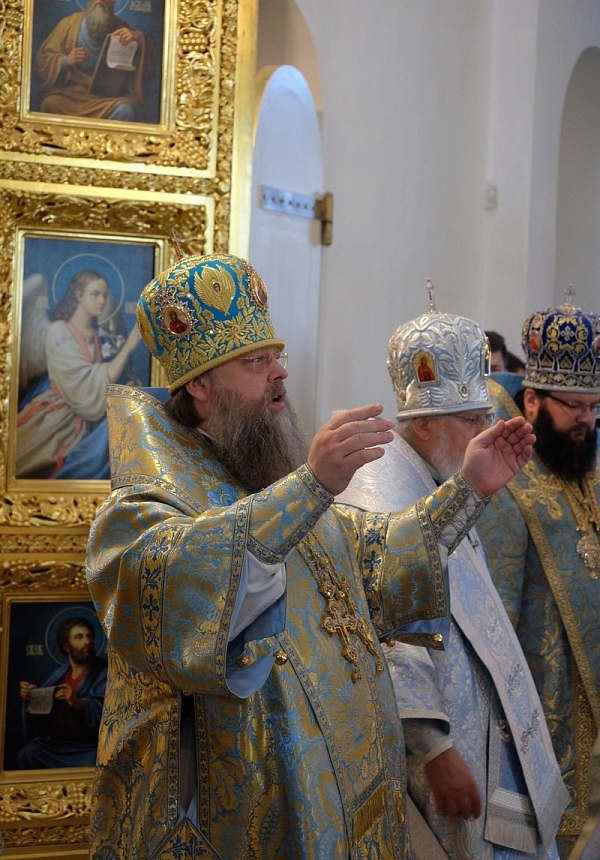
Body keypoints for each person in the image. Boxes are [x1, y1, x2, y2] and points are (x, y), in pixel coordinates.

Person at [85, 252, 536, 859]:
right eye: (255, 362)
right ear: (199, 384)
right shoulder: (142, 506)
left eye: (276, 356)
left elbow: (372, 559)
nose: (279, 373)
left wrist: (466, 490)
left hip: (340, 800)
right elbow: (187, 585)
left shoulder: (262, 477)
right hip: (233, 819)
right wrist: (312, 486)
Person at [338, 302, 567, 859]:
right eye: (471, 421)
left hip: (482, 718)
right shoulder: (379, 494)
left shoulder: (438, 476)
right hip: (444, 739)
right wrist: (435, 749)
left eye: (484, 417)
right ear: (424, 423)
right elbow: (392, 636)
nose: (483, 432)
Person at [477, 291, 600, 859]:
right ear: (532, 400)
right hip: (543, 706)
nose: (587, 420)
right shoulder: (506, 478)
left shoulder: (590, 463)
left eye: (595, 406)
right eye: (573, 406)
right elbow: (494, 613)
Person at [16, 268, 141, 478]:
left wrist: (121, 390)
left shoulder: (95, 335)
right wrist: (128, 347)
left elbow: (96, 386)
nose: (102, 301)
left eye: (104, 295)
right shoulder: (58, 331)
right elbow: (83, 384)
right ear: (79, 295)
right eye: (95, 294)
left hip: (88, 417)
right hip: (55, 420)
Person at [35, 0, 146, 121]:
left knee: (125, 110)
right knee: (50, 103)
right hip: (72, 96)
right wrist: (66, 60)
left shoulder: (123, 28)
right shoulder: (68, 24)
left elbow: (150, 63)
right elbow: (43, 60)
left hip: (106, 100)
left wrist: (138, 37)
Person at [17, 617, 107, 768]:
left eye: (89, 636)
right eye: (79, 637)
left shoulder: (105, 672)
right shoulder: (59, 675)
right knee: (27, 753)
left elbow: (112, 708)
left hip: (88, 745)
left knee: (93, 760)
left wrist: (79, 703)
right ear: (67, 647)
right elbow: (43, 715)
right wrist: (31, 697)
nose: (87, 641)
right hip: (56, 745)